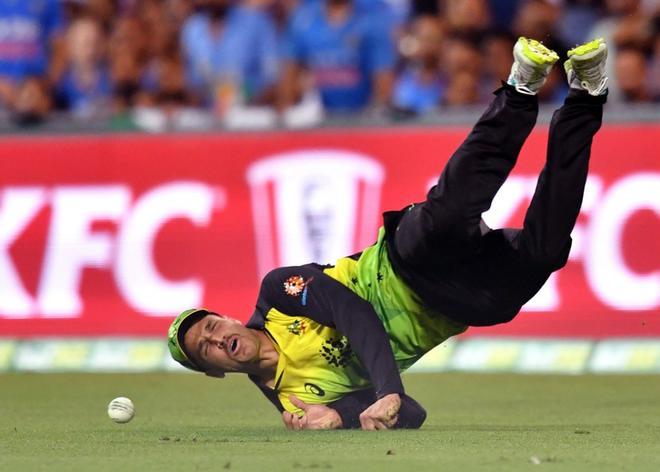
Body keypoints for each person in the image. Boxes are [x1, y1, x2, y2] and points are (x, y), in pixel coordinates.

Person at [168, 37, 609, 430]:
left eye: (209, 326)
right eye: (205, 349)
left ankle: (520, 91)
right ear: (213, 371)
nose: (214, 339)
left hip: (404, 262)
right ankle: (586, 100)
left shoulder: (279, 293)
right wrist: (340, 415)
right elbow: (412, 414)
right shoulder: (297, 404)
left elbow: (350, 310)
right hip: (461, 304)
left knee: (451, 212)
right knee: (545, 251)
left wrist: (385, 392)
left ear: (223, 316)